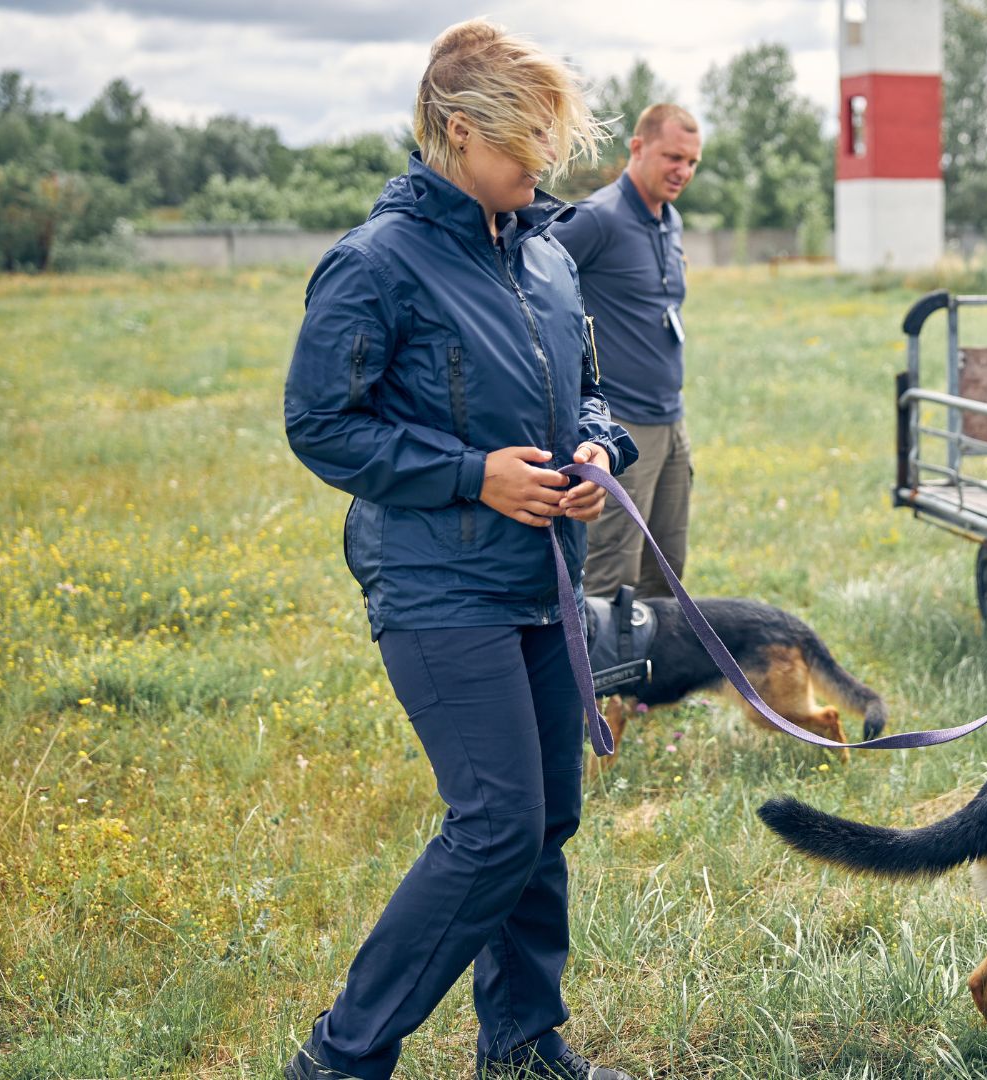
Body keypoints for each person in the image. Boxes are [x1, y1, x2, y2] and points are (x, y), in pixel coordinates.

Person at [281, 19, 639, 1080]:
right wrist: (470, 473)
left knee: (547, 823)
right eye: (520, 147)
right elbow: (321, 425)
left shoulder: (543, 252)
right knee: (495, 826)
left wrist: (595, 448)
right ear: (451, 131)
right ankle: (340, 1061)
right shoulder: (374, 263)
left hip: (545, 582)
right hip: (439, 587)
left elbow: (594, 392)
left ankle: (523, 1047)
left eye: (548, 148)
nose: (539, 169)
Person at [550, 103, 702, 600]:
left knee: (667, 570)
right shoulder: (598, 219)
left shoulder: (670, 221)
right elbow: (529, 278)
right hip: (620, 426)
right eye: (673, 157)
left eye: (692, 162)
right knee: (612, 576)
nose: (683, 171)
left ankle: (650, 679)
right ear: (637, 148)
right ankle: (600, 679)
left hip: (671, 422)